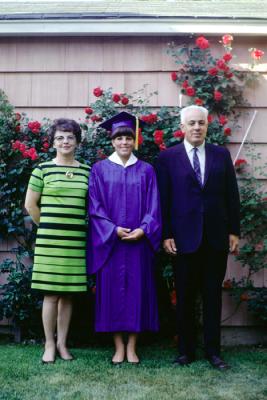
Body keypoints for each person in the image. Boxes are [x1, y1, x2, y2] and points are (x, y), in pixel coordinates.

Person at [156, 105, 240, 370]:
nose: (196, 127)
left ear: (207, 126)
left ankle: (214, 352)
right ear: (182, 127)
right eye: (191, 123)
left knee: (213, 296)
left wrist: (234, 231)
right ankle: (185, 352)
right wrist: (166, 234)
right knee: (185, 297)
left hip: (215, 238)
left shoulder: (220, 155)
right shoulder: (167, 158)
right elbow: (163, 200)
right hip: (182, 239)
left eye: (201, 123)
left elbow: (232, 195)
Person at [87, 111, 161, 364]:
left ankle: (133, 347)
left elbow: (154, 206)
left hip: (138, 243)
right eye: (119, 138)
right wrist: (112, 230)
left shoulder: (147, 170)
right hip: (111, 244)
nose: (124, 142)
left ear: (135, 140)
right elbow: (94, 207)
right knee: (113, 295)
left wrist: (144, 228)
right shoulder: (99, 170)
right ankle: (118, 346)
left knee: (136, 293)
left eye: (128, 138)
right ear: (112, 141)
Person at [25, 118, 90, 363]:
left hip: (75, 241)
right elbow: (30, 205)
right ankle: (49, 345)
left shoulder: (86, 171)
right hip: (50, 241)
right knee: (51, 294)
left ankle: (63, 344)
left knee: (68, 294)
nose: (65, 141)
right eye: (60, 137)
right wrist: (49, 225)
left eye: (70, 137)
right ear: (53, 142)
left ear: (77, 141)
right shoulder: (42, 169)